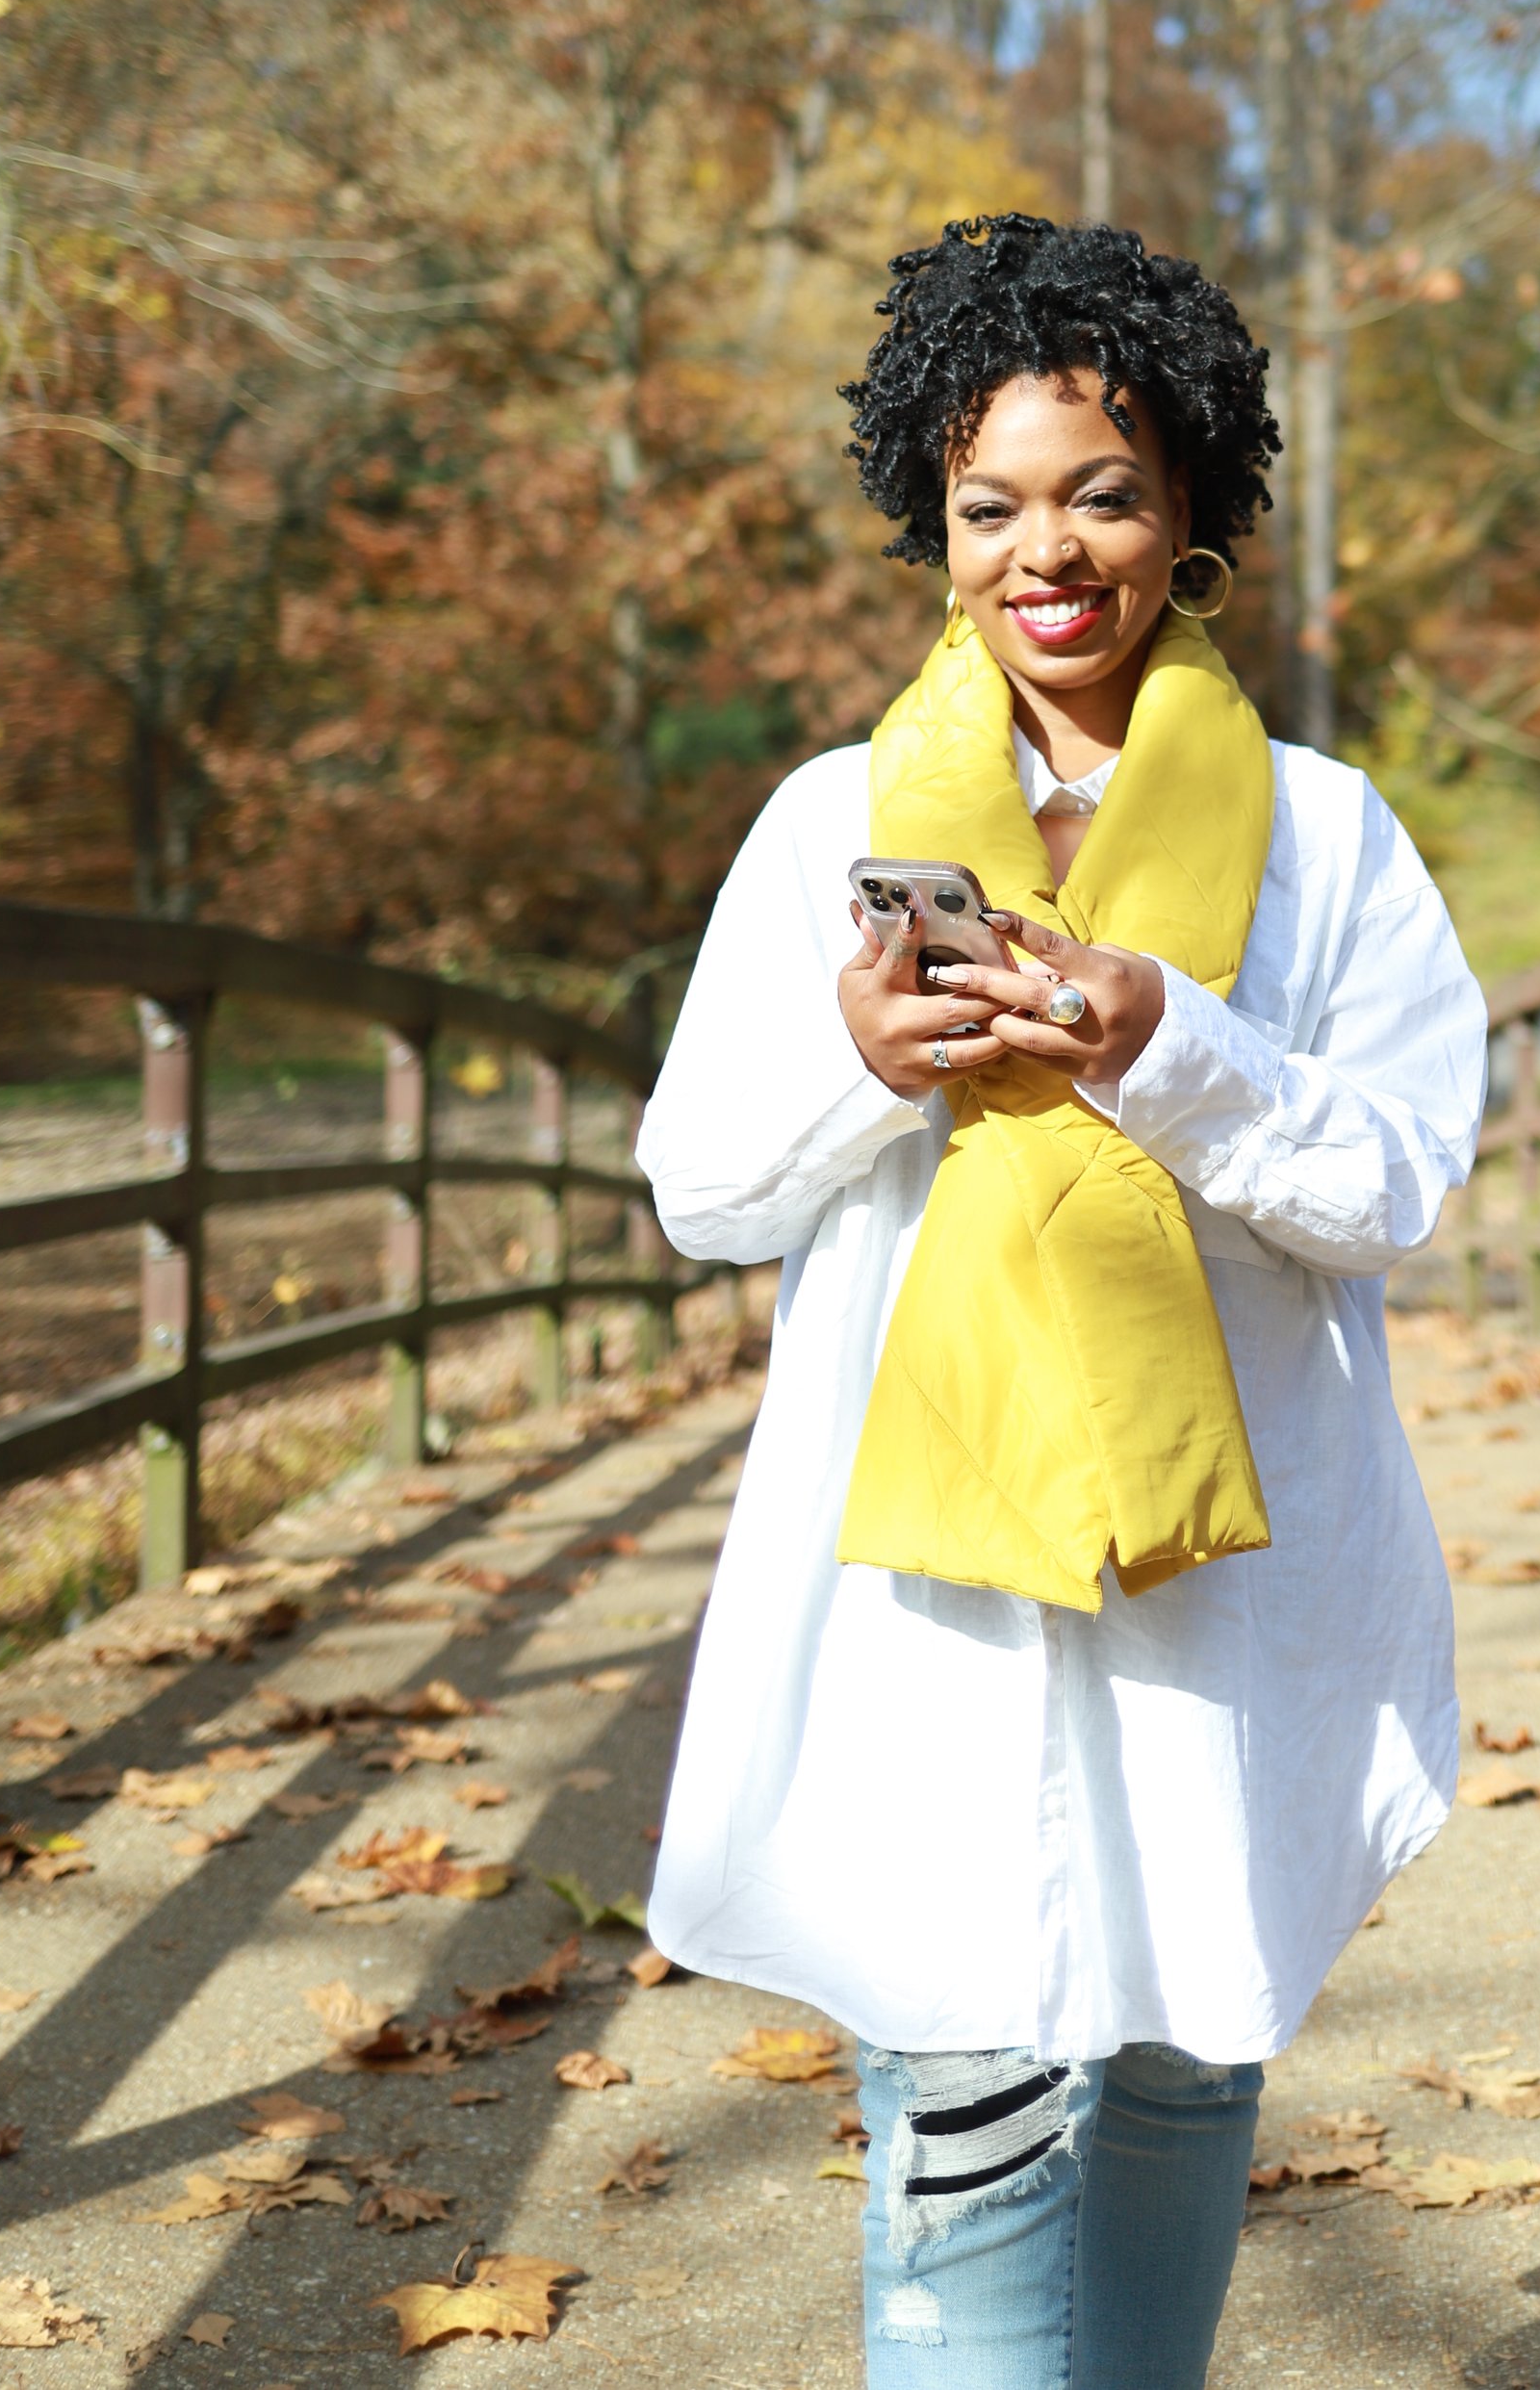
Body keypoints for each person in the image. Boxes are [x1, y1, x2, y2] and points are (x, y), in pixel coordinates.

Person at [636, 213, 1485, 2390]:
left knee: (1192, 2051)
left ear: (1193, 505)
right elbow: (703, 1190)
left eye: (1103, 490)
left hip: (1230, 1556)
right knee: (965, 2091)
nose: (1049, 550)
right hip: (928, 1573)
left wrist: (1167, 1042)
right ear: (930, 523)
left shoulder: (1326, 828)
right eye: (989, 502)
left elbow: (1398, 1183)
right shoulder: (836, 816)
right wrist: (862, 1057)